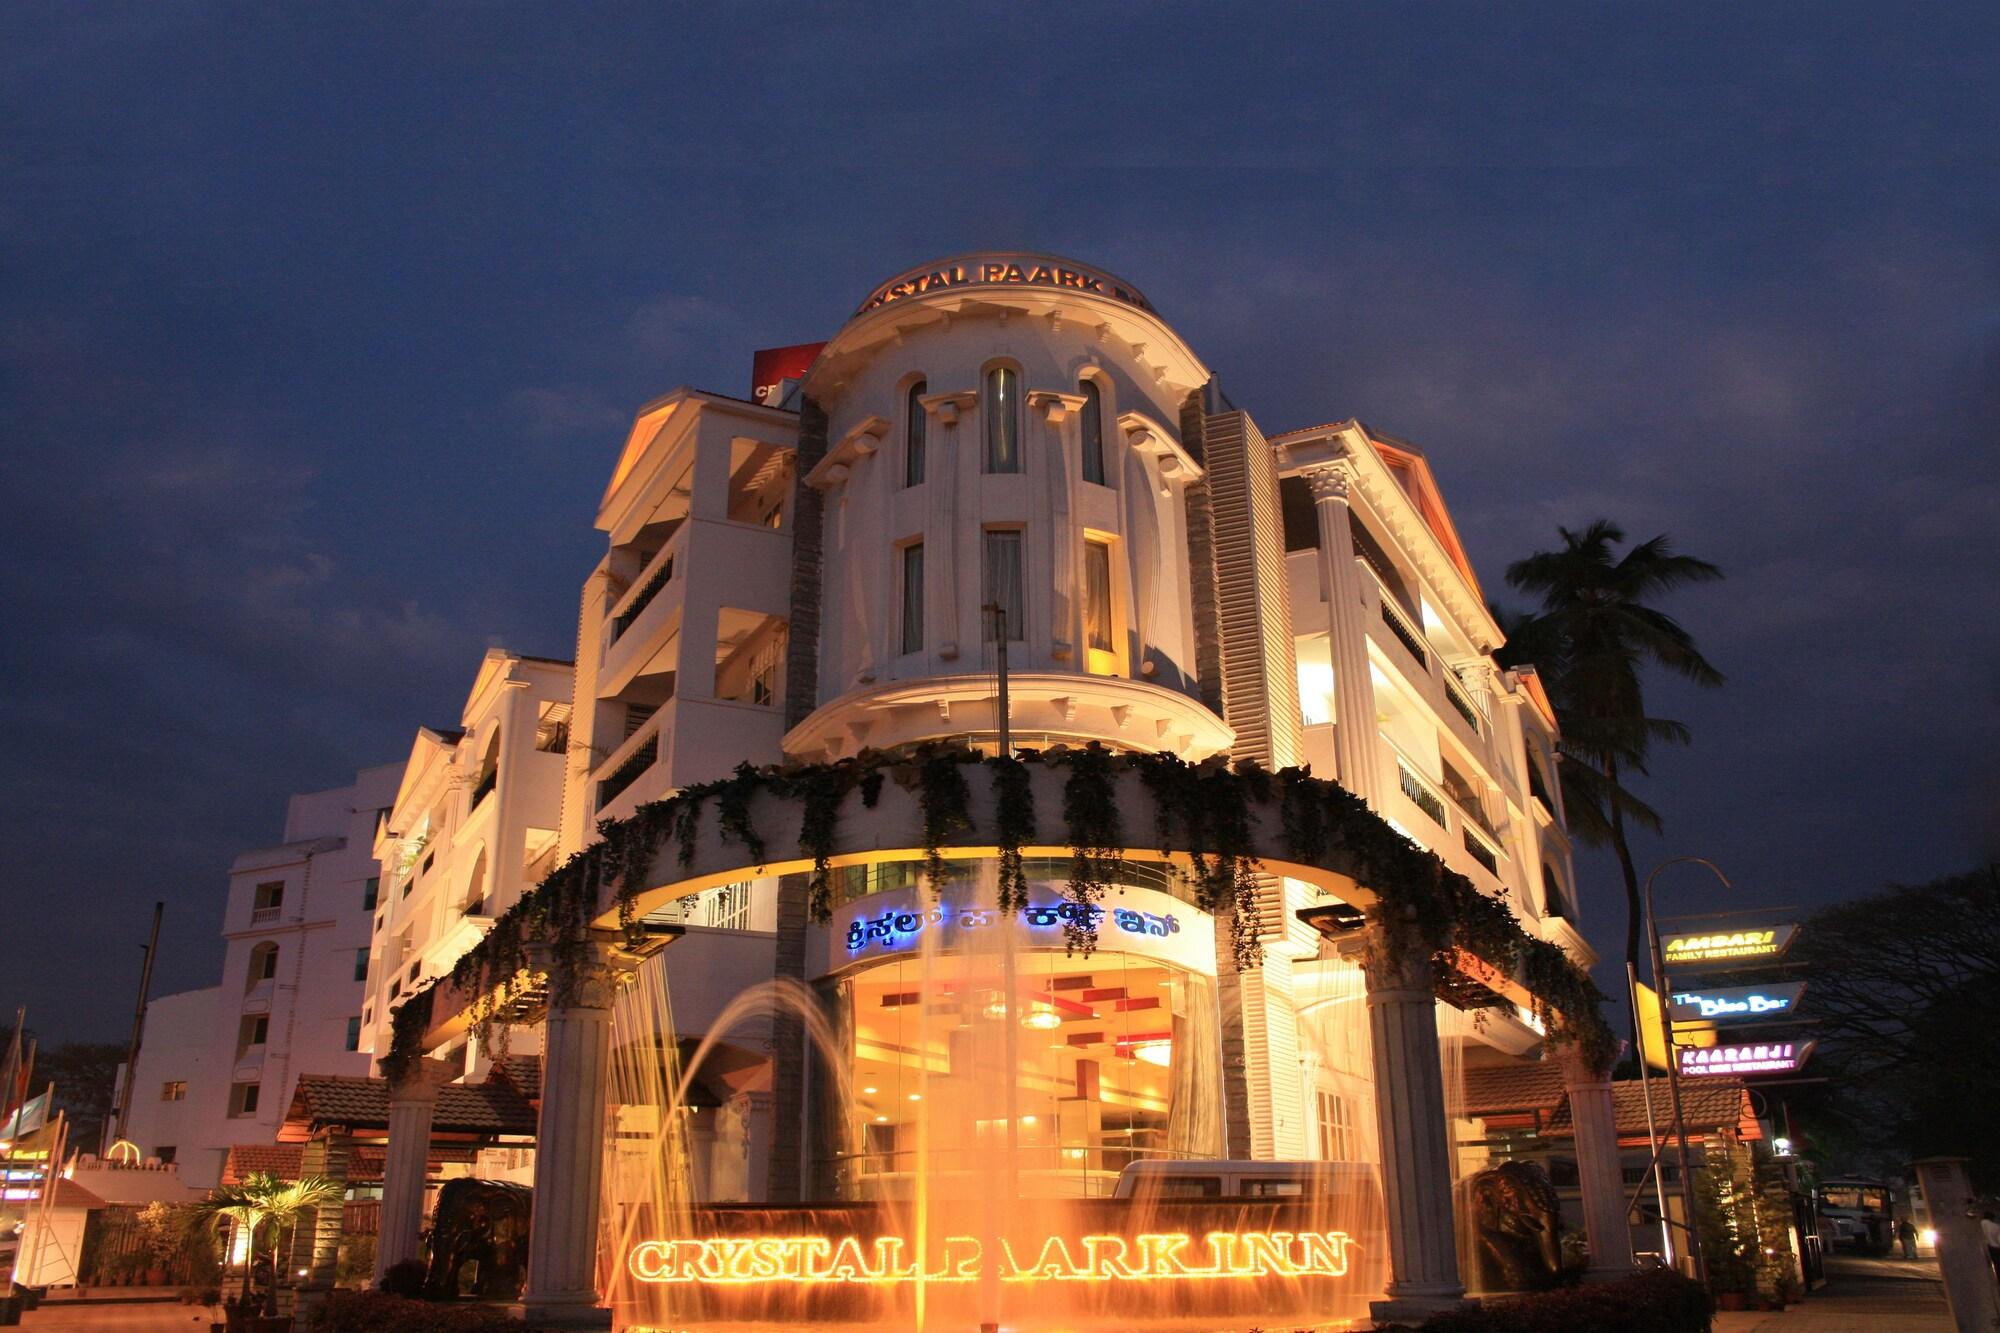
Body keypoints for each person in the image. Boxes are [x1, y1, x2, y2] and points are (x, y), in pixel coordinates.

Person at [1983, 1211, 2000, 1280]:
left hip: (1984, 1247)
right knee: (1997, 1266)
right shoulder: (1996, 1226)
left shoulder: (1980, 1223)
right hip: (1995, 1248)